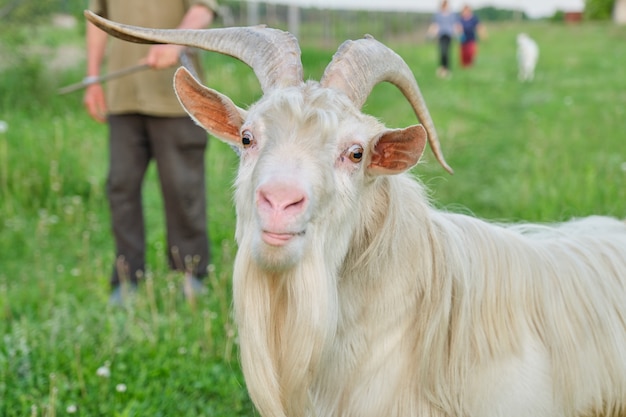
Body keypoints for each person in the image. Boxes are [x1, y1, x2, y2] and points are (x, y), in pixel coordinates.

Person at [83, 0, 219, 305]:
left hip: (176, 99)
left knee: (182, 188)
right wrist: (92, 78)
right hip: (123, 98)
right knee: (121, 187)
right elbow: (97, 19)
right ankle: (127, 276)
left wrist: (174, 40)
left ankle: (191, 273)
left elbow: (203, 9)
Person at [427, 0, 460, 78]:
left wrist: (459, 34)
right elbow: (435, 25)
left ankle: (447, 68)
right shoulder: (438, 15)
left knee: (447, 52)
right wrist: (430, 34)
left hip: (448, 35)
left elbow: (455, 25)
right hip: (441, 35)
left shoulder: (452, 15)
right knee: (442, 51)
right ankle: (442, 67)